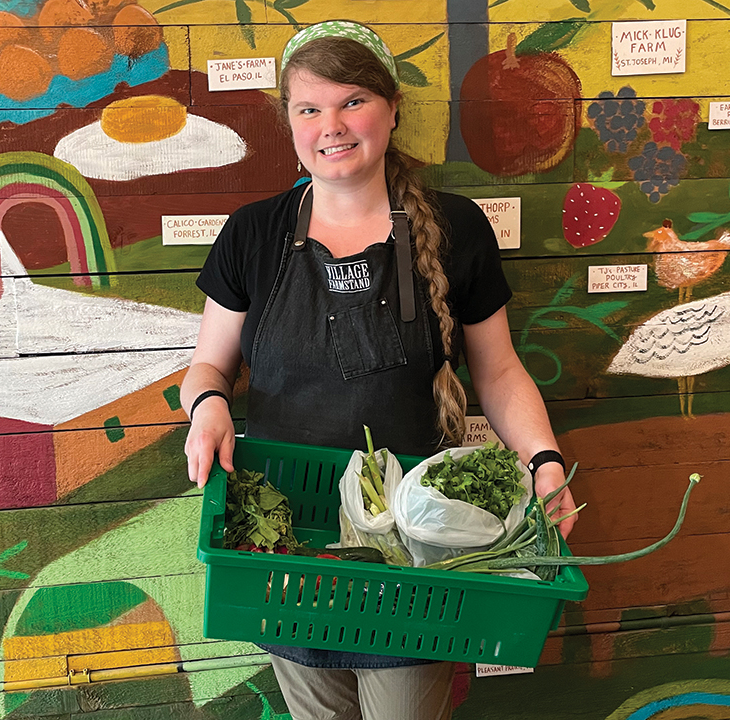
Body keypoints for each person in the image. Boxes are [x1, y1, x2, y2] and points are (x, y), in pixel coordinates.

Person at [180, 20, 577, 720]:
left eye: (352, 101)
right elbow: (209, 362)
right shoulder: (253, 232)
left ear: (392, 110)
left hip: (420, 547)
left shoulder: (456, 228)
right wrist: (207, 403)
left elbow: (501, 371)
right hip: (292, 548)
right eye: (309, 109)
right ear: (291, 123)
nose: (330, 125)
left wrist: (544, 459)